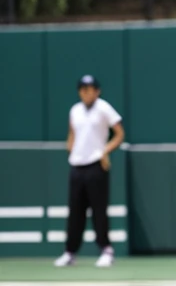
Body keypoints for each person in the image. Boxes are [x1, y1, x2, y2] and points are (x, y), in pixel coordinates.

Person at [53, 74, 125, 269]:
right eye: (83, 89)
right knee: (75, 211)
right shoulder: (74, 110)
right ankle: (70, 252)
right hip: (77, 166)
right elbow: (72, 134)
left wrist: (104, 151)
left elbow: (119, 134)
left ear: (97, 91)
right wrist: (72, 149)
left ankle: (106, 251)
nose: (87, 92)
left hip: (96, 166)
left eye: (90, 88)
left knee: (99, 210)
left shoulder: (104, 108)